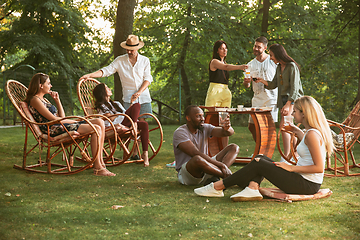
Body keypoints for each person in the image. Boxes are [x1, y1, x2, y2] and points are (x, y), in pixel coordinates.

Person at [194, 96, 334, 201]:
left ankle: (218, 187)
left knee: (259, 163)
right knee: (259, 158)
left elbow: (319, 168)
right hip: (303, 180)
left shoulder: (312, 135)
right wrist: (297, 131)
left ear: (304, 113)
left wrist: (291, 168)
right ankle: (252, 187)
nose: (292, 114)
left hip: (306, 185)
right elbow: (309, 147)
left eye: (295, 111)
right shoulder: (311, 133)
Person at [25, 73, 116, 176]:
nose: (51, 86)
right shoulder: (35, 100)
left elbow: (61, 116)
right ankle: (98, 167)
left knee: (99, 121)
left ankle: (101, 163)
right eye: (49, 83)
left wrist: (57, 100)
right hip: (53, 129)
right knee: (96, 128)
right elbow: (54, 119)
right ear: (41, 85)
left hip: (59, 125)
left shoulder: (44, 100)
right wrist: (75, 121)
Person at [79, 34, 153, 121]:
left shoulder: (145, 60)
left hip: (144, 96)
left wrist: (139, 92)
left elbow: (148, 78)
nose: (129, 52)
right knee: (130, 122)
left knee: (142, 122)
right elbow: (106, 70)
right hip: (128, 98)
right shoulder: (120, 60)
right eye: (127, 49)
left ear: (137, 48)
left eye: (131, 50)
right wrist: (90, 75)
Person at [254, 43, 304, 159]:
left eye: (271, 55)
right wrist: (261, 80)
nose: (270, 58)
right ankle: (294, 154)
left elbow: (295, 88)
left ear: (278, 54)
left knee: (285, 126)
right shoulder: (278, 67)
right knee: (288, 127)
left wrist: (288, 104)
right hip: (283, 101)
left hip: (292, 100)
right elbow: (273, 84)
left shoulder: (291, 66)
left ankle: (287, 156)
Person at [173, 105, 239, 186]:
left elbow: (228, 133)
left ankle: (215, 176)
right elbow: (195, 153)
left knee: (234, 147)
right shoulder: (180, 133)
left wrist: (227, 128)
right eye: (198, 116)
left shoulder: (205, 127)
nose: (202, 119)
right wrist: (222, 166)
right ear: (188, 118)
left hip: (206, 167)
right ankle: (232, 178)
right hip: (188, 174)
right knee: (197, 159)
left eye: (202, 116)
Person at [92, 83, 150, 167]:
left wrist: (131, 103)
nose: (109, 89)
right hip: (117, 126)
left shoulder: (117, 103)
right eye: (107, 88)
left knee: (144, 123)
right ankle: (134, 125)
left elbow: (125, 114)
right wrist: (114, 116)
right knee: (136, 106)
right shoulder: (101, 106)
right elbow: (108, 119)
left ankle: (145, 154)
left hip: (126, 122)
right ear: (102, 92)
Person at [243, 36, 278, 141]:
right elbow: (247, 86)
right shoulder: (250, 65)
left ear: (265, 48)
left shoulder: (272, 61)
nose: (256, 48)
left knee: (268, 127)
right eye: (255, 46)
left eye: (259, 47)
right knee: (252, 126)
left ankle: (266, 152)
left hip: (271, 98)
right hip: (257, 98)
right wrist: (246, 83)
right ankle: (260, 149)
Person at [204, 40, 247, 108]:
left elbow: (226, 66)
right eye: (221, 48)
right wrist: (240, 67)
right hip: (215, 91)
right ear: (217, 51)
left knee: (225, 115)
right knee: (212, 115)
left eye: (225, 48)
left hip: (225, 91)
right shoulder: (214, 61)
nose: (225, 50)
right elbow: (226, 67)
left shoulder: (225, 62)